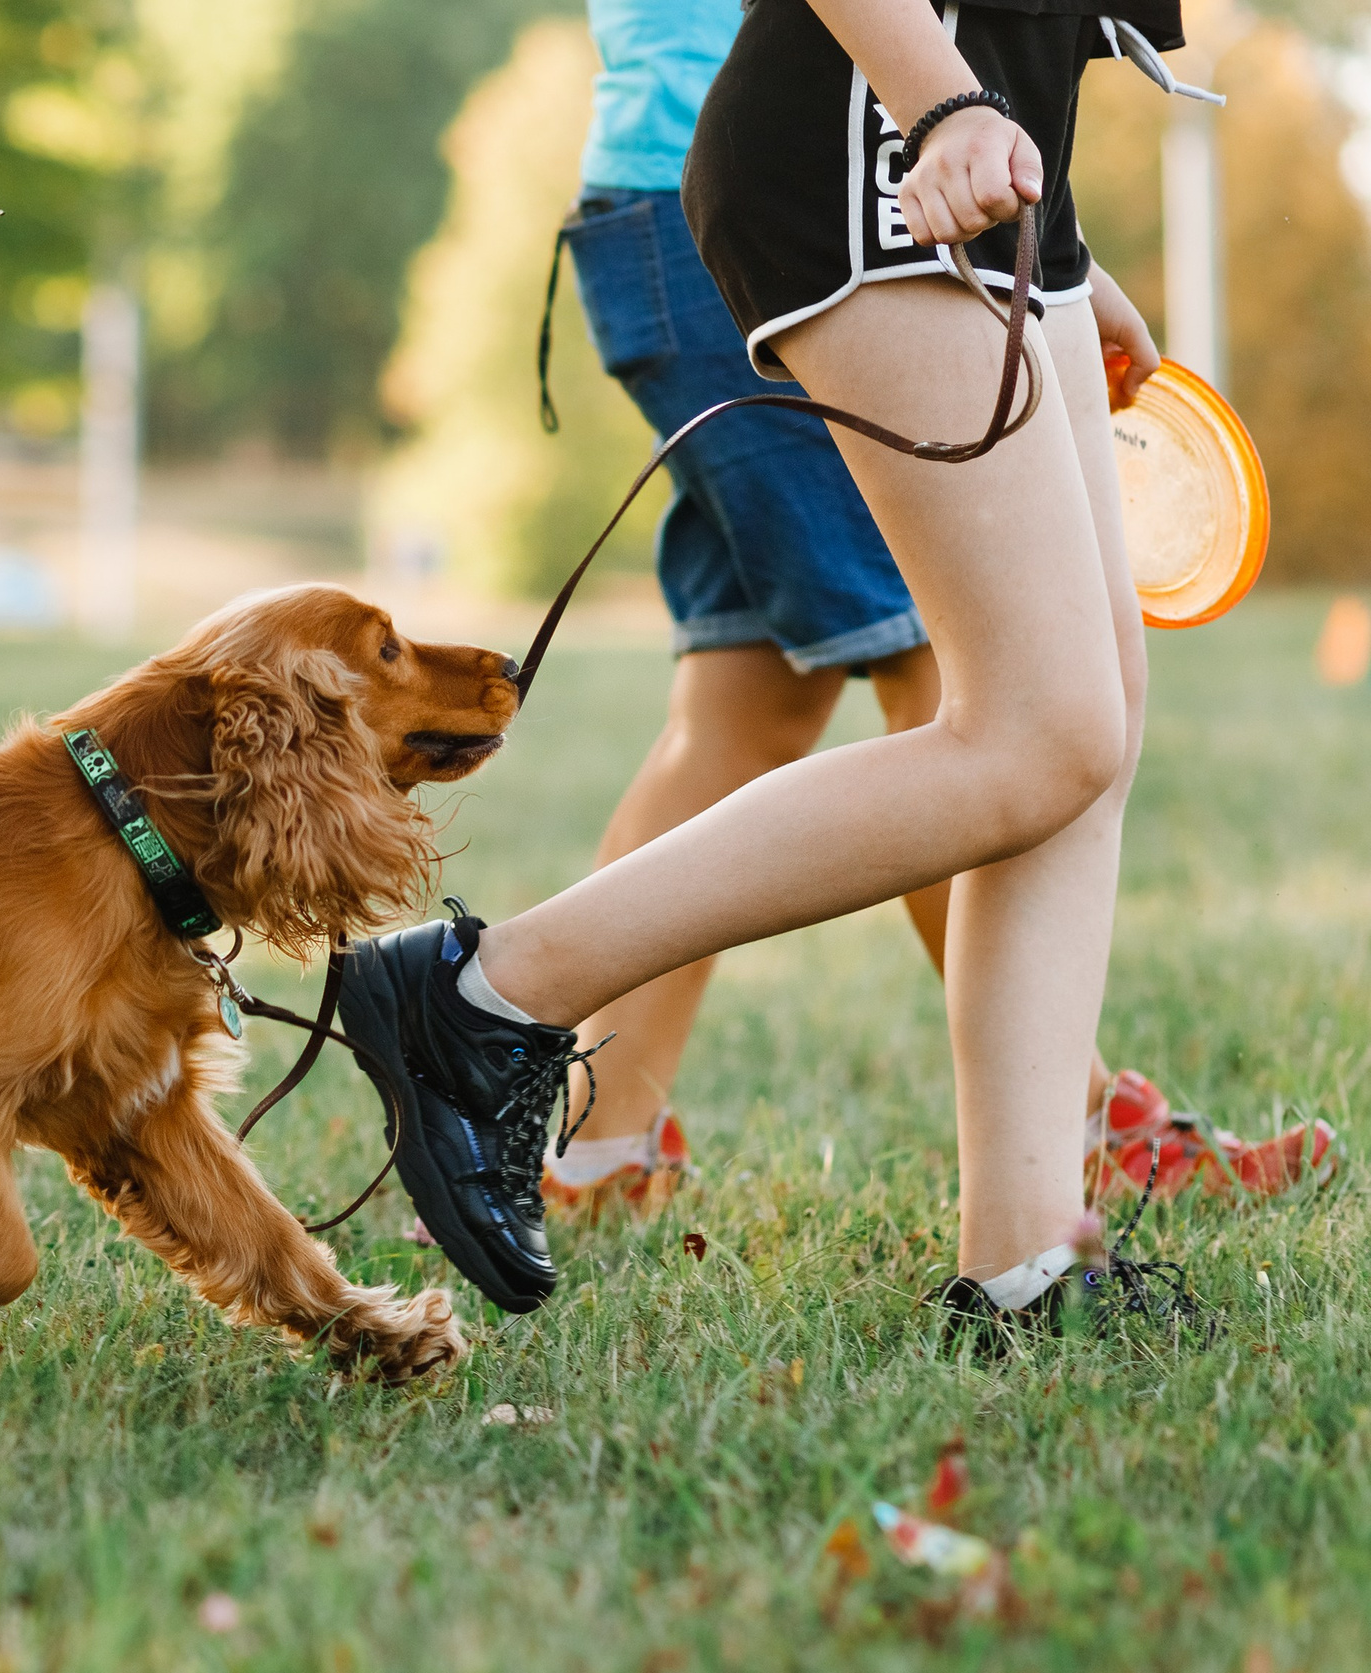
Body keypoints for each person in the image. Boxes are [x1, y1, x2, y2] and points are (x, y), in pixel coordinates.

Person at [345, 0, 1330, 1329]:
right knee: (1029, 726)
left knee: (1087, 726)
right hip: (881, 139)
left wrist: (1047, 224)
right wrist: (940, 104)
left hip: (980, 133)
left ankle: (1027, 1264)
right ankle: (487, 992)